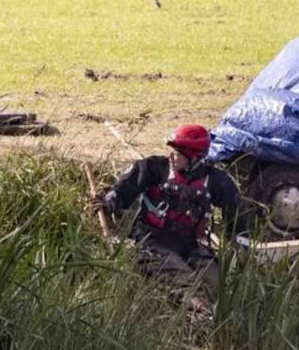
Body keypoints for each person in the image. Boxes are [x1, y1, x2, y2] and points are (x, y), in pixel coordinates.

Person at [91, 124, 248, 309]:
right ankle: (196, 318)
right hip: (152, 241)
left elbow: (237, 214)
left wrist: (241, 244)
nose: (172, 155)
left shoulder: (216, 180)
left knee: (216, 284)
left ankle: (210, 313)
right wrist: (108, 203)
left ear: (196, 157)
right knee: (187, 284)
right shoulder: (154, 168)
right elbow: (122, 191)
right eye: (171, 150)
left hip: (191, 245)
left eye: (178, 153)